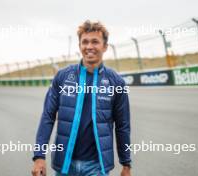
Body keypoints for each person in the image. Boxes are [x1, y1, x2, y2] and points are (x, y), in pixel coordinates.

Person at [32, 20, 131, 176]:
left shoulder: (116, 82)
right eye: (84, 42)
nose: (89, 46)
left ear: (105, 47)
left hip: (97, 167)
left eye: (95, 42)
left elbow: (122, 125)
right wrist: (39, 157)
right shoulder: (63, 77)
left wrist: (126, 164)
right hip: (65, 165)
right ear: (79, 46)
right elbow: (47, 117)